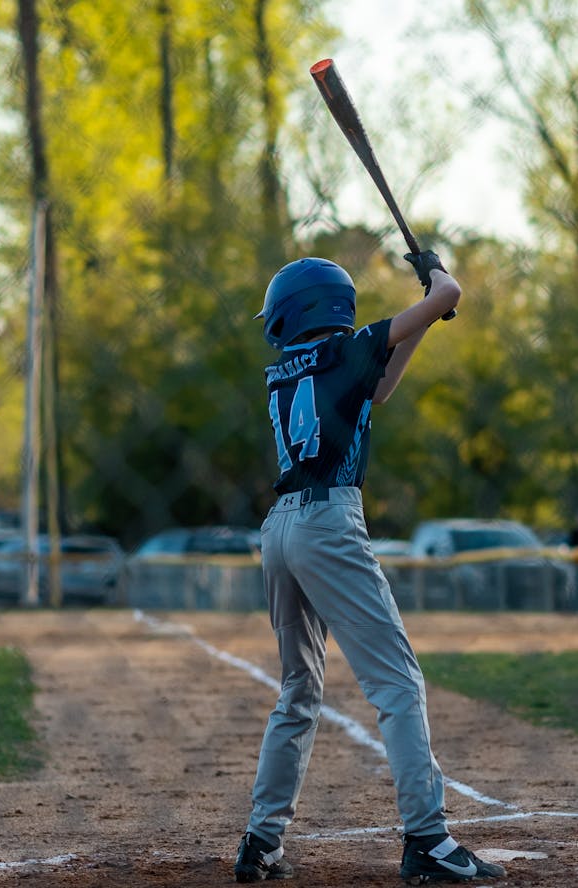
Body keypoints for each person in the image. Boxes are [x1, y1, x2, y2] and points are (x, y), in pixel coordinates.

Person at [234, 252, 507, 885]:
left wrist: (426, 322)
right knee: (398, 683)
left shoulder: (287, 371)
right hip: (328, 525)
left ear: (293, 312)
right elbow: (451, 291)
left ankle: (261, 841)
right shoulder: (348, 348)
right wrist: (436, 279)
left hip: (279, 530)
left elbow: (379, 388)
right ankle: (428, 840)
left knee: (298, 690)